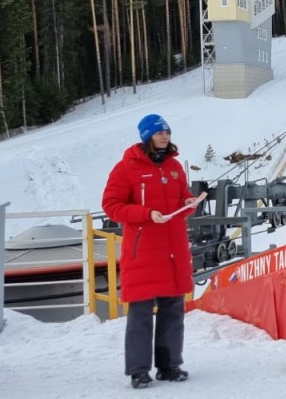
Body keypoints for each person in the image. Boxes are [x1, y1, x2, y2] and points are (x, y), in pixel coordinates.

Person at [103, 114, 201, 389]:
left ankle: (169, 366)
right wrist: (147, 213)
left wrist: (190, 202)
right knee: (141, 312)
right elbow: (112, 205)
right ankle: (138, 371)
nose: (164, 136)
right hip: (143, 251)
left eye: (167, 132)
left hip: (173, 249)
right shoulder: (126, 168)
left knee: (173, 310)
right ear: (146, 135)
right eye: (159, 133)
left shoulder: (174, 167)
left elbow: (182, 196)